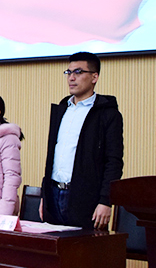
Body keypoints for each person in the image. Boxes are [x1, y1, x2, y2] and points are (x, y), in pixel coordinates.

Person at [40, 52, 124, 229]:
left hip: (85, 199)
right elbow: (53, 156)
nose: (71, 78)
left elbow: (113, 161)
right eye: (68, 72)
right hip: (53, 194)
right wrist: (45, 195)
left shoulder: (107, 114)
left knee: (82, 246)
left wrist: (105, 201)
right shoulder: (62, 109)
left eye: (78, 72)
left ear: (94, 77)